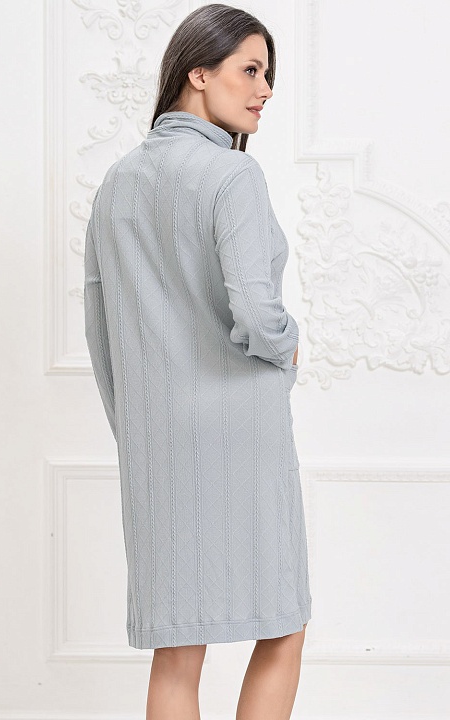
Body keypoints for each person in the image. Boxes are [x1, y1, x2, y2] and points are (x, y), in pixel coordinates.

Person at [84, 4, 312, 719]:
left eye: (268, 75)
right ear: (198, 73)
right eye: (251, 70)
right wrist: (287, 341)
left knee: (178, 649)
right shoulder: (232, 175)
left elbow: (101, 332)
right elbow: (255, 310)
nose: (264, 89)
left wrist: (136, 429)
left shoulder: (117, 182)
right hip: (242, 435)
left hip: (158, 442)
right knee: (282, 623)